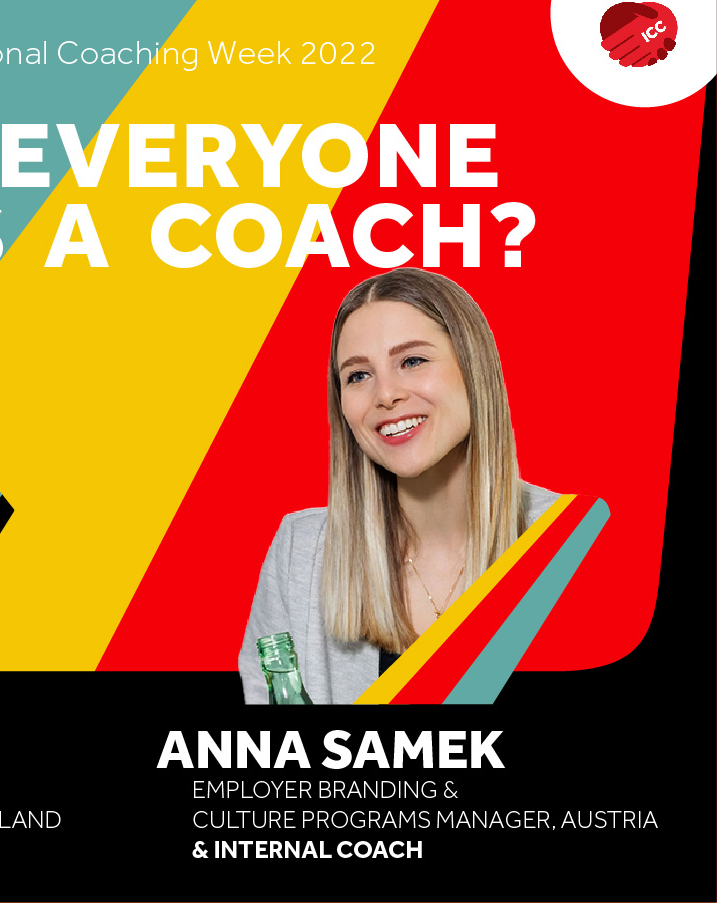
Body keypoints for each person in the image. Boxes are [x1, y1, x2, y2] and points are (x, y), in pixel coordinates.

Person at [238, 268, 557, 704]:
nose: (385, 395)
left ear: (473, 368)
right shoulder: (301, 552)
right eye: (357, 375)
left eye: (412, 361)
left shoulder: (568, 541)